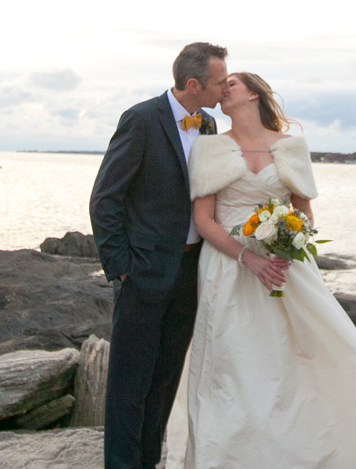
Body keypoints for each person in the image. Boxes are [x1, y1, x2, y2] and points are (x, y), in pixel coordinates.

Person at [164, 72, 356, 467]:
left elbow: (305, 214)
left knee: (309, 359)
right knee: (234, 368)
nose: (223, 88)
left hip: (284, 268)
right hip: (229, 269)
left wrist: (286, 241)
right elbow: (205, 221)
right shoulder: (209, 147)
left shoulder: (291, 147)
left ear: (255, 94)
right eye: (221, 84)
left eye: (232, 84)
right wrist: (249, 257)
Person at [89, 42, 228, 469]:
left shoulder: (207, 126)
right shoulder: (141, 119)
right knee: (129, 386)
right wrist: (122, 269)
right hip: (143, 274)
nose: (225, 90)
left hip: (190, 273)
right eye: (220, 83)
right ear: (193, 84)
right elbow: (105, 199)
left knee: (165, 382)